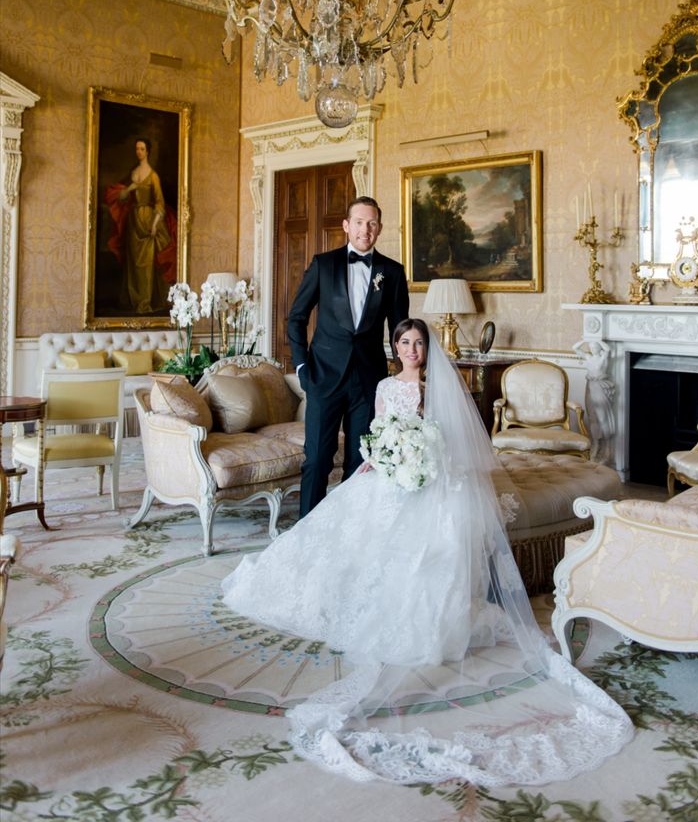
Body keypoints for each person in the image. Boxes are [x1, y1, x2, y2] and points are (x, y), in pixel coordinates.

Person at [221, 318, 634, 788]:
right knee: (348, 517)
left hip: (431, 474)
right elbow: (378, 430)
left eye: (418, 342)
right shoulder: (384, 384)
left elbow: (450, 440)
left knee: (432, 534)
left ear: (426, 347)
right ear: (395, 346)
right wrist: (378, 460)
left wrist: (420, 459)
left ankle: (424, 609)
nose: (412, 349)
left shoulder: (440, 386)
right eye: (404, 342)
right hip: (390, 469)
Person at [287, 195, 409, 516]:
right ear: (346, 226)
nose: (364, 230)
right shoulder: (322, 265)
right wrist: (302, 367)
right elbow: (296, 317)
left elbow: (400, 331)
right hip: (323, 378)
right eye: (358, 222)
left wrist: (403, 379)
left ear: (379, 228)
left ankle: (349, 535)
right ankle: (306, 534)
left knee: (360, 463)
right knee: (317, 460)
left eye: (371, 223)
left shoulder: (393, 273)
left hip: (368, 383)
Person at [105, 138, 176, 316]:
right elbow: (121, 197)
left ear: (148, 152)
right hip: (133, 222)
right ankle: (134, 301)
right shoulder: (133, 173)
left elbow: (160, 202)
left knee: (146, 265)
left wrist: (154, 225)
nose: (139, 152)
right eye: (137, 149)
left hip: (148, 221)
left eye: (142, 149)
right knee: (133, 264)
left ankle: (145, 302)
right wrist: (129, 189)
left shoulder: (153, 176)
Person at [573, 338, 616, 464]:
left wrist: (598, 340)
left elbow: (608, 349)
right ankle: (596, 445)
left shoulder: (604, 358)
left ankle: (608, 448)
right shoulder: (588, 357)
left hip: (600, 387)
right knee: (592, 418)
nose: (592, 348)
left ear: (599, 347)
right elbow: (575, 348)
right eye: (591, 347)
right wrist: (585, 340)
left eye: (595, 346)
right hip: (590, 386)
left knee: (603, 418)